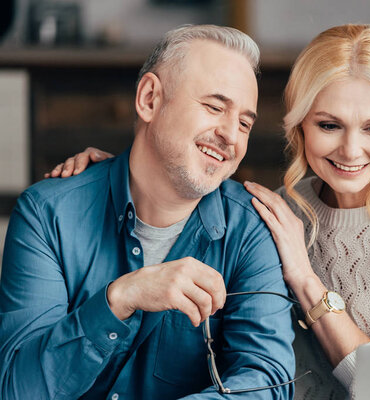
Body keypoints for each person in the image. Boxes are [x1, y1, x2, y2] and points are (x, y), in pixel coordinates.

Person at [48, 24, 370, 399]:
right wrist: (116, 175)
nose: (351, 149)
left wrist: (305, 279)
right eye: (328, 125)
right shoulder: (289, 210)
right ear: (300, 124)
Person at [0, 25, 297, 399]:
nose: (231, 136)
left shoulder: (251, 229)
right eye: (214, 107)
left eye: (244, 123)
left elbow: (265, 382)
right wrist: (120, 298)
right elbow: (16, 389)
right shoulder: (47, 215)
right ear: (150, 99)